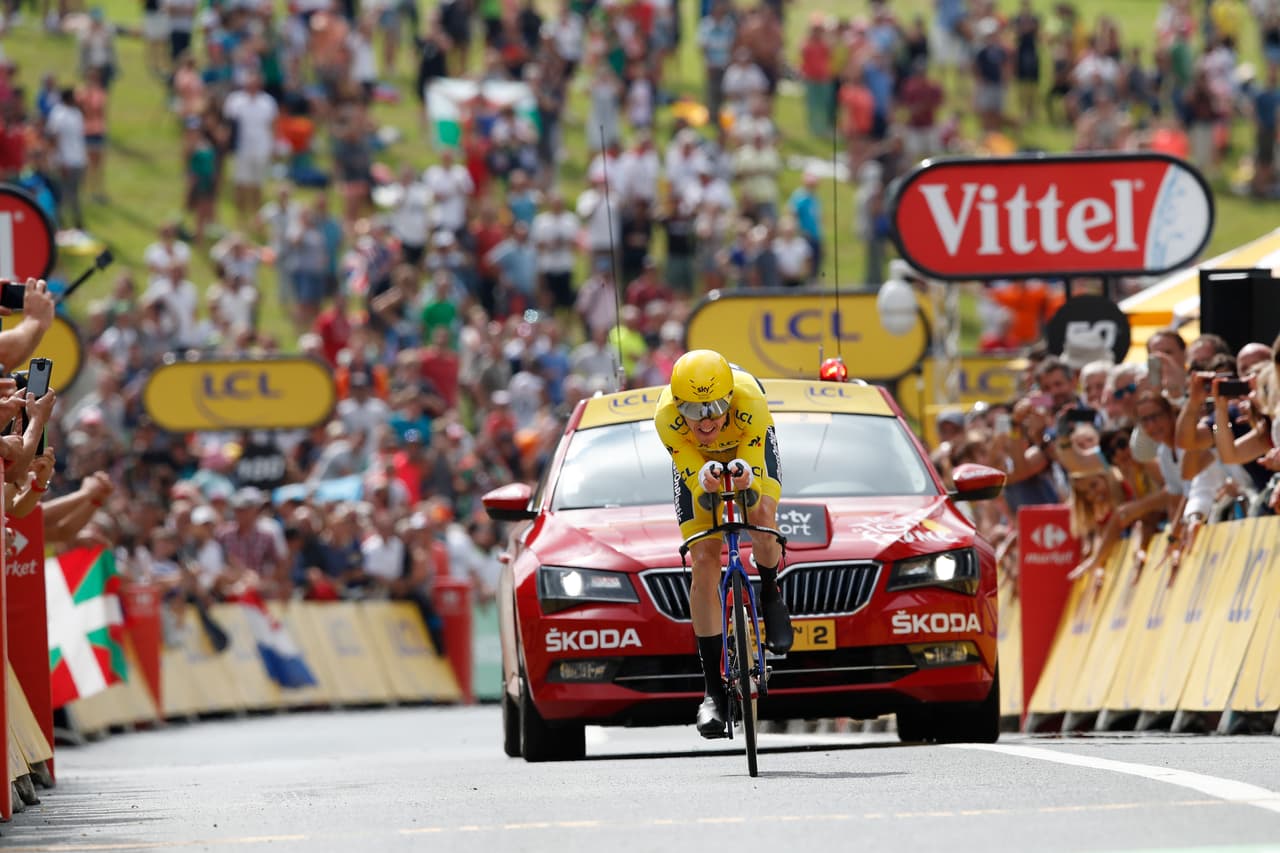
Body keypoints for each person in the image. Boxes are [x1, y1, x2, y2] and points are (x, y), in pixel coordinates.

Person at [652, 349, 791, 739]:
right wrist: (703, 480)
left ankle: (770, 593)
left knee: (761, 514)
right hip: (698, 462)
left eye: (715, 407)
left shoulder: (750, 400)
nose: (706, 419)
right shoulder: (665, 418)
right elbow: (693, 476)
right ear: (677, 406)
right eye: (693, 410)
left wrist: (746, 478)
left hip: (747, 450)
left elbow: (754, 474)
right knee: (703, 560)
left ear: (730, 397)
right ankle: (712, 690)